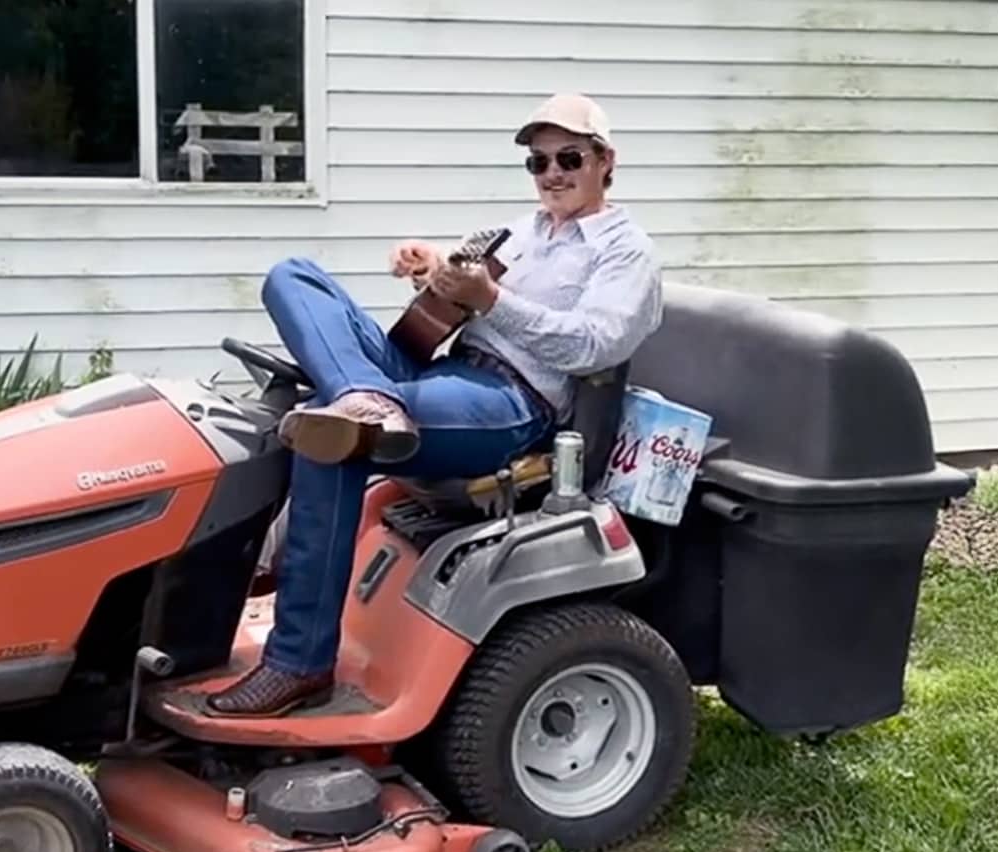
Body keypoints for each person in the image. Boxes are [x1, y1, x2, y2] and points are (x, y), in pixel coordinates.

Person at [207, 92, 664, 717]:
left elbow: (593, 344)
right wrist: (431, 266)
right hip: (440, 369)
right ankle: (363, 393)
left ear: (605, 160)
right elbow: (455, 297)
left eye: (569, 157)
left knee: (330, 438)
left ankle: (298, 662)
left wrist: (492, 299)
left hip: (511, 399)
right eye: (538, 162)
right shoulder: (525, 232)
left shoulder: (625, 250)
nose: (552, 173)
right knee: (293, 275)